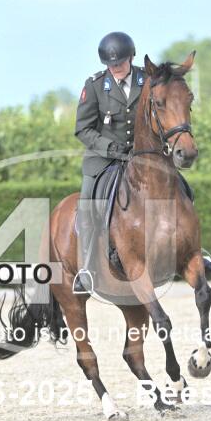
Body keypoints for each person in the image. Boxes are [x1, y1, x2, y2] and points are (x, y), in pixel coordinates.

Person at [73, 31, 144, 294]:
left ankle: (193, 250)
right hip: (103, 158)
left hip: (142, 156)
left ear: (131, 57)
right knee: (87, 205)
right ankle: (86, 269)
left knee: (181, 189)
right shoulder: (94, 86)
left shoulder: (147, 80)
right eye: (110, 64)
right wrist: (109, 147)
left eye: (120, 63)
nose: (115, 68)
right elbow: (83, 129)